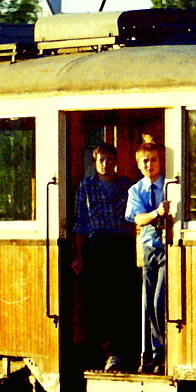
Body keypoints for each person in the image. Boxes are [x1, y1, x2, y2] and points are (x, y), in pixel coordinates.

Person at [72, 143, 135, 372]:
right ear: (94, 162)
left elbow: (133, 219)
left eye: (109, 159)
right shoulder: (86, 186)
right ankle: (99, 352)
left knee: (120, 301)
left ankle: (118, 352)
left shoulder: (126, 185)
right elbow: (80, 223)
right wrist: (79, 256)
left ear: (115, 161)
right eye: (101, 160)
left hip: (121, 245)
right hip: (96, 246)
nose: (105, 164)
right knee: (97, 302)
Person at [125, 141, 168, 374]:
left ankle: (164, 350)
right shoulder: (136, 190)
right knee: (149, 302)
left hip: (169, 250)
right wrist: (156, 213)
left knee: (160, 300)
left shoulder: (170, 186)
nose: (149, 164)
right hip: (149, 249)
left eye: (153, 160)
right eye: (145, 161)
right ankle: (155, 351)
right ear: (138, 165)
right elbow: (137, 218)